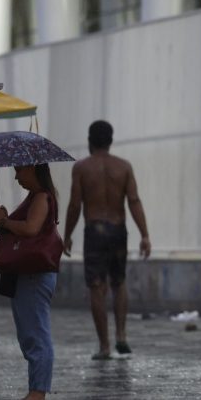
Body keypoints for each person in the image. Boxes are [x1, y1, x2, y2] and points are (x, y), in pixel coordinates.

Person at [63, 120, 151, 360]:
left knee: (96, 287)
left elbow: (74, 205)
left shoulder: (81, 168)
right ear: (111, 141)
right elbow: (134, 201)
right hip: (118, 229)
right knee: (118, 282)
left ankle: (104, 346)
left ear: (90, 141)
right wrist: (144, 235)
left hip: (94, 230)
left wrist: (67, 235)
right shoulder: (124, 167)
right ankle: (122, 336)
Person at [0, 164, 59, 400]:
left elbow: (31, 229)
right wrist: (6, 218)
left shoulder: (41, 197)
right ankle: (36, 389)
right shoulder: (36, 197)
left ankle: (37, 392)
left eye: (20, 170)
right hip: (30, 274)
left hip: (34, 275)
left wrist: (5, 221)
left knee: (36, 334)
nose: (16, 176)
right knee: (30, 333)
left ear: (34, 169)